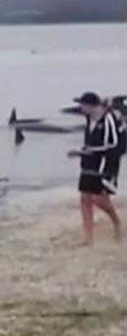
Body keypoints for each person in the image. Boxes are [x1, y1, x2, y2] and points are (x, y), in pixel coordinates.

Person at [68, 91, 120, 245]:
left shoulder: (108, 119)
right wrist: (82, 153)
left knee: (99, 199)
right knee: (85, 199)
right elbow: (90, 141)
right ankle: (88, 237)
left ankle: (116, 222)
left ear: (92, 106)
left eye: (83, 105)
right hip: (88, 162)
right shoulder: (89, 119)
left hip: (104, 163)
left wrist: (85, 152)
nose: (81, 108)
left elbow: (114, 144)